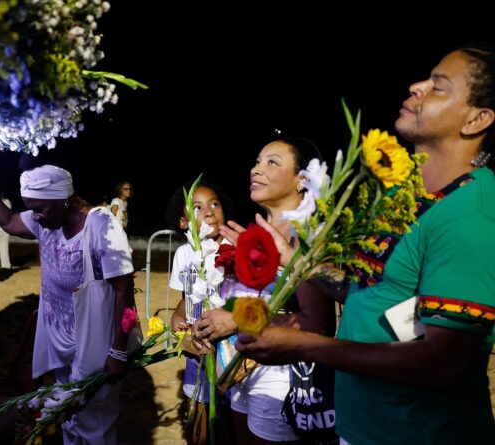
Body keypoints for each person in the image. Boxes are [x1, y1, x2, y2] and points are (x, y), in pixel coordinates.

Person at [233, 44, 495, 444]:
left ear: (477, 119)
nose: (416, 86)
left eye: (438, 87)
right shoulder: (400, 195)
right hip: (359, 428)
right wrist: (293, 259)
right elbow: (363, 291)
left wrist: (308, 346)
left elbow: (444, 362)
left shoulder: (471, 212)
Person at [193, 137, 337, 444]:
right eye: (257, 161)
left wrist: (238, 320)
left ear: (302, 180)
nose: (256, 169)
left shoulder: (308, 234)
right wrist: (211, 324)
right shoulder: (254, 232)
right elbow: (251, 301)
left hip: (281, 377)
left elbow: (318, 324)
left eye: (272, 162)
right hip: (239, 371)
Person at [0, 164, 135, 445]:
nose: (35, 217)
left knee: (93, 423)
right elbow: (8, 220)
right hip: (61, 340)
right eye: (32, 208)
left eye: (39, 208)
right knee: (68, 417)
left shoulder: (101, 226)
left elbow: (125, 291)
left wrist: (119, 350)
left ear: (64, 199)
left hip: (97, 345)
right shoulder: (48, 222)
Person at [164, 179, 232, 444]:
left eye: (215, 204)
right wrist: (178, 317)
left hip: (230, 350)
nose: (209, 211)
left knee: (228, 418)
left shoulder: (232, 249)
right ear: (183, 223)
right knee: (200, 417)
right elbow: (186, 298)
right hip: (197, 349)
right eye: (198, 207)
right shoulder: (183, 254)